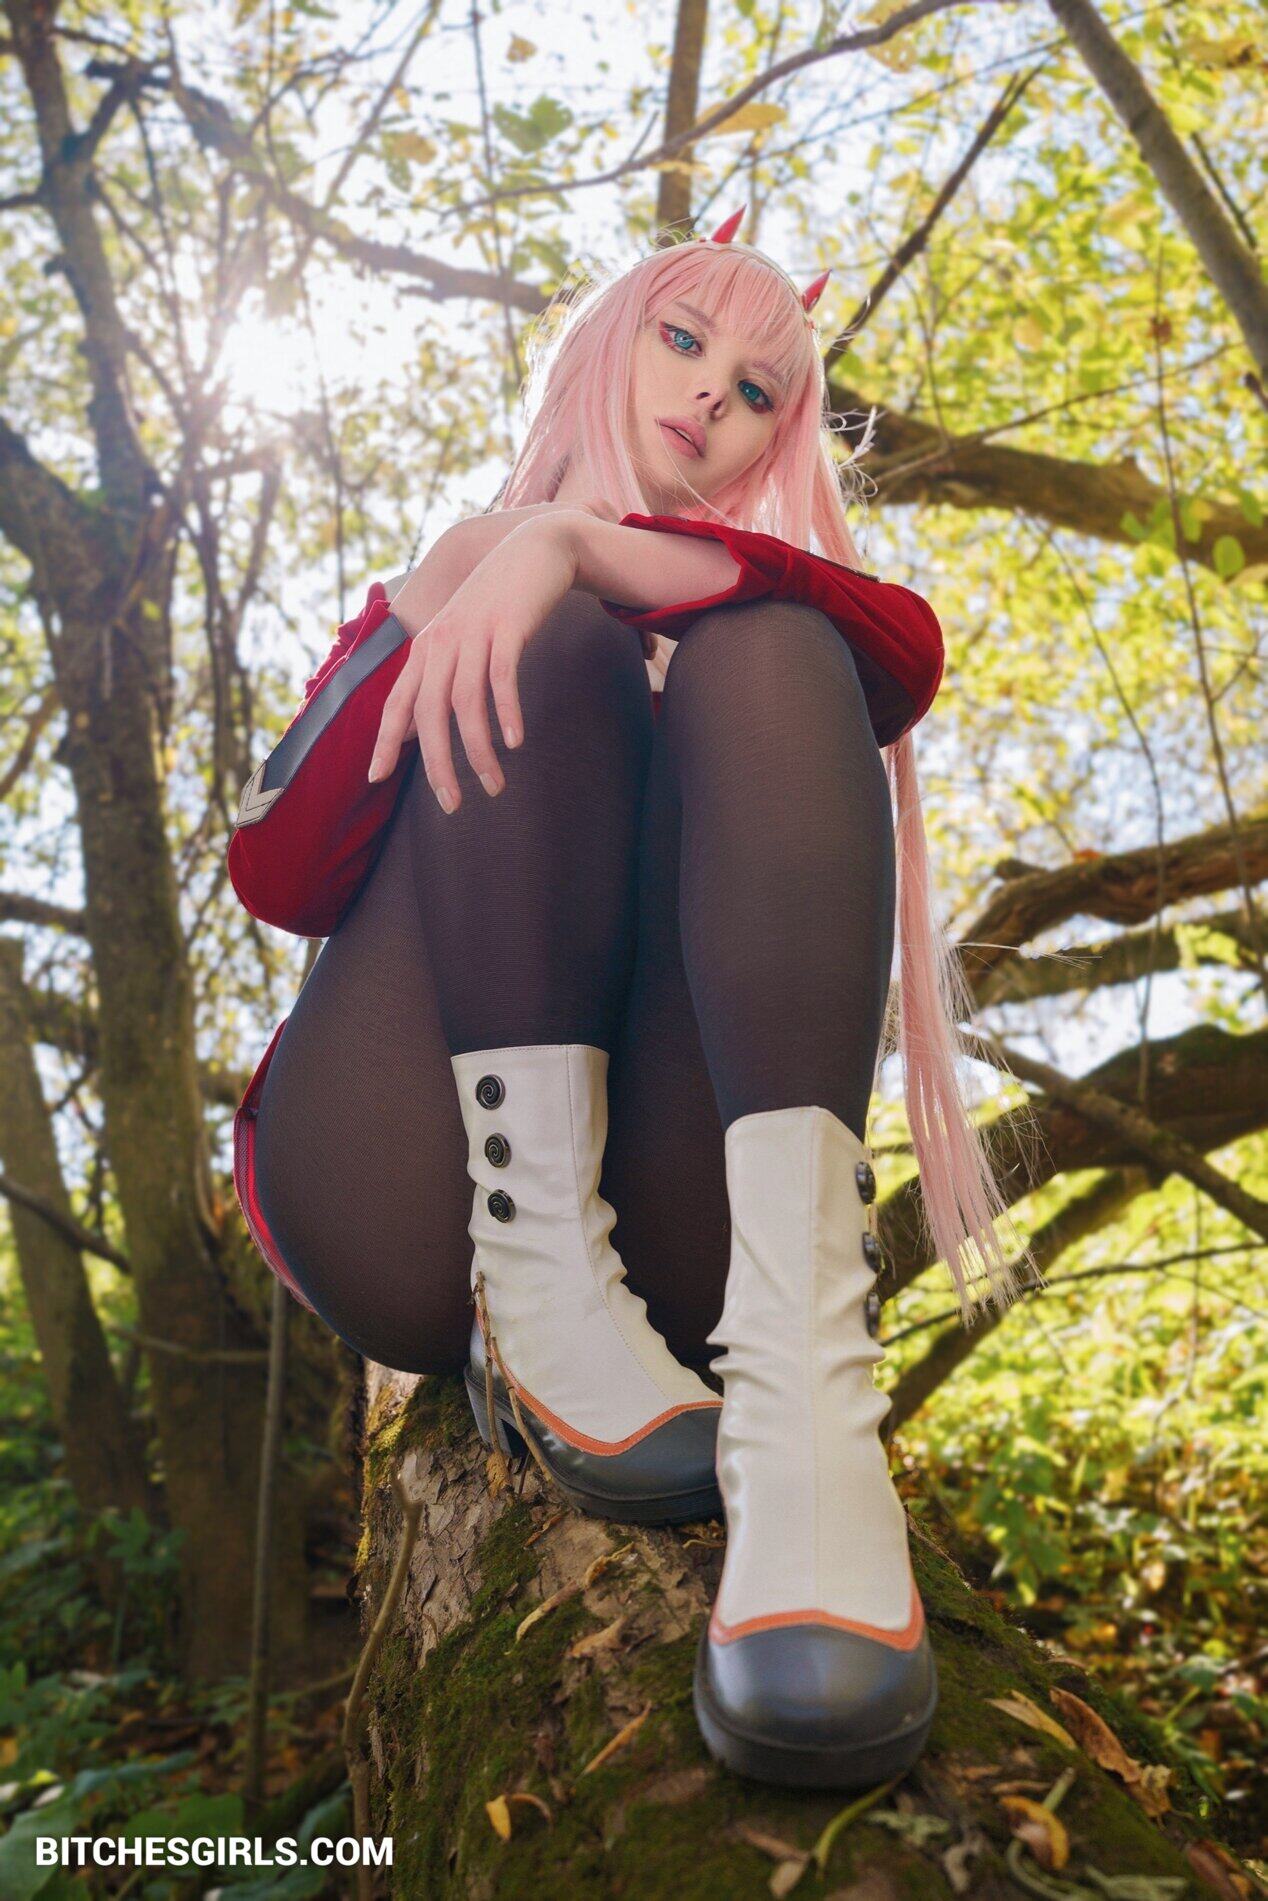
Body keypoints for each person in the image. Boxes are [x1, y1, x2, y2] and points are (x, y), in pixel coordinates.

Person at [227, 210, 1037, 1789]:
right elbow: (278, 870)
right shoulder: (466, 563)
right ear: (608, 339)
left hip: (675, 1240)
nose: (711, 394)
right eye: (683, 339)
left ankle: (808, 1416)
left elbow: (899, 647)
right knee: (539, 623)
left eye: (757, 389)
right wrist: (464, 583)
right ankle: (529, 1289)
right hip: (402, 1181)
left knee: (777, 639)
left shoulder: (757, 615)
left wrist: (581, 550)